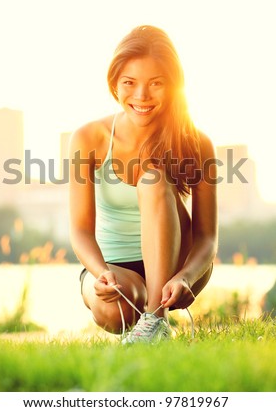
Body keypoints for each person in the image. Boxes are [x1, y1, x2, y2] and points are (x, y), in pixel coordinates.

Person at [69, 25, 218, 344]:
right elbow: (80, 231)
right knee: (114, 311)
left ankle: (156, 320)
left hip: (181, 265)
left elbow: (207, 237)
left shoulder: (196, 142)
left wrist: (186, 277)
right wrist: (100, 274)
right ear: (114, 84)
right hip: (114, 265)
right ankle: (145, 319)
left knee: (151, 179)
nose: (141, 96)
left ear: (173, 85)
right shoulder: (88, 139)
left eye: (156, 84)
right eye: (129, 83)